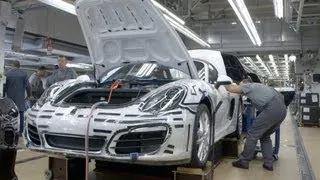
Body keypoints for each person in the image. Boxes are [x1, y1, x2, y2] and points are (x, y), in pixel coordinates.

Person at [225, 79, 287, 171]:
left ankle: (244, 161)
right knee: (265, 136)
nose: (242, 89)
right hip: (282, 110)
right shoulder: (261, 87)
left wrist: (222, 83)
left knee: (252, 134)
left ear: (245, 83)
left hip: (272, 109)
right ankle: (268, 163)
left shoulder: (249, 86)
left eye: (241, 85)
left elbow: (231, 89)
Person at [4, 60, 32, 135]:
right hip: (20, 98)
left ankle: (9, 132)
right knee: (21, 115)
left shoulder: (7, 74)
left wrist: (4, 96)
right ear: (19, 66)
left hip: (9, 99)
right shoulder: (24, 74)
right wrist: (29, 95)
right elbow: (28, 86)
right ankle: (20, 132)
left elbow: (4, 86)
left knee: (9, 115)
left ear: (12, 65)